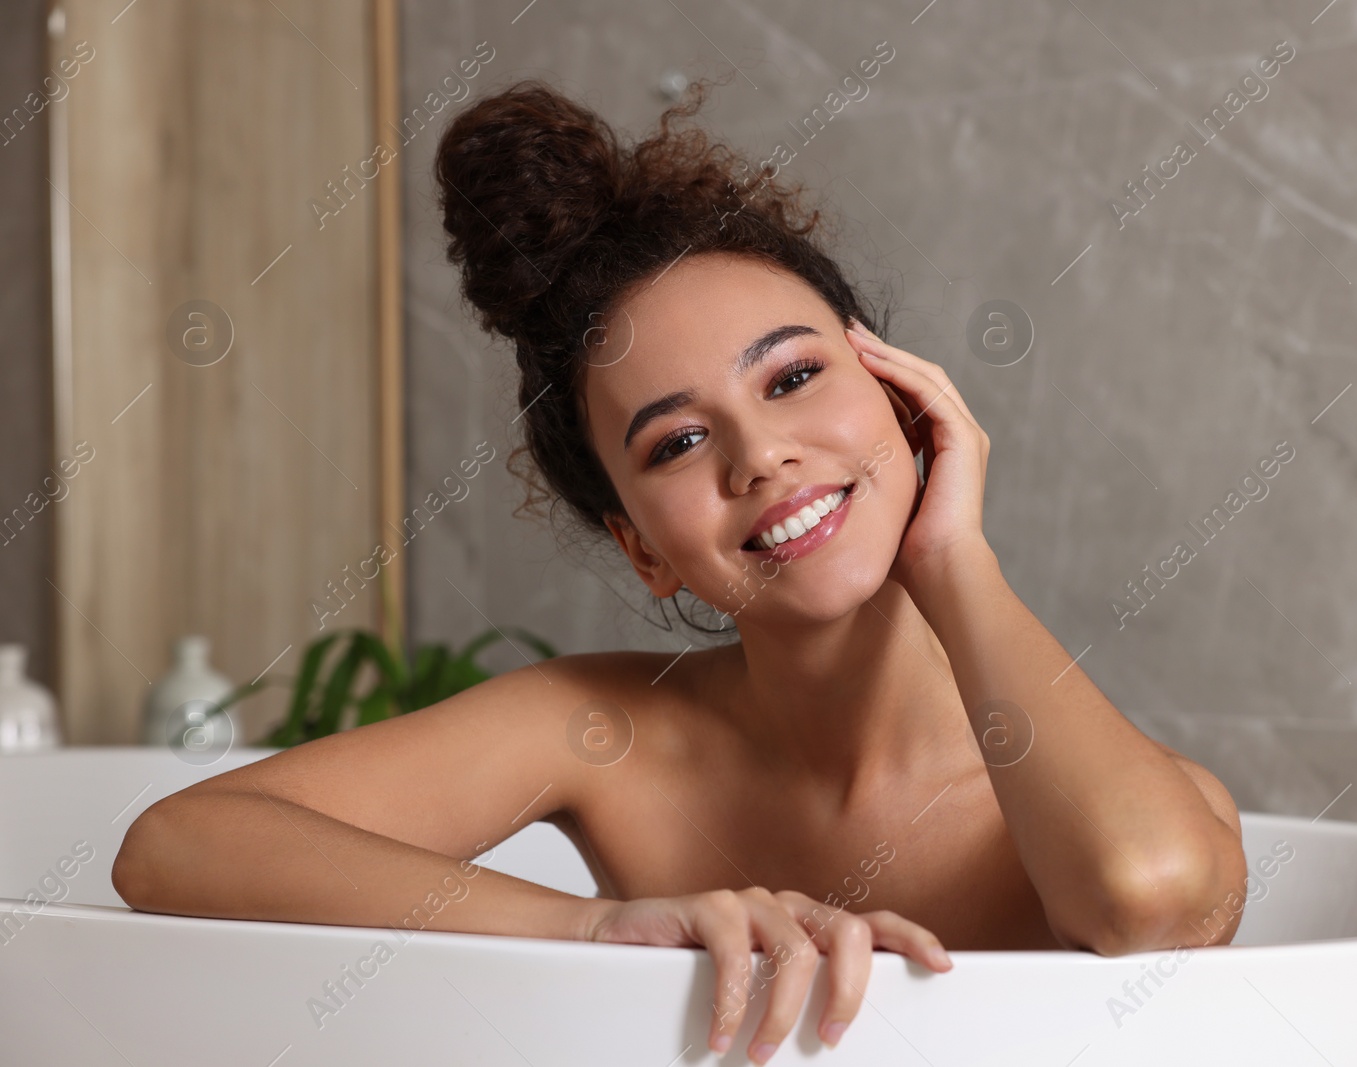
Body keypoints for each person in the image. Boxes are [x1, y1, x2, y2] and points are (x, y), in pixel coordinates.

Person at [113, 77, 1246, 1065]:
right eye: (677, 442)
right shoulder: (602, 727)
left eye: (794, 377)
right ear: (642, 546)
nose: (761, 456)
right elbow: (175, 847)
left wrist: (954, 556)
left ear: (902, 395)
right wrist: (596, 931)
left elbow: (1154, 898)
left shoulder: (1078, 779)